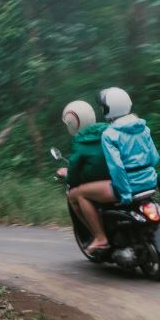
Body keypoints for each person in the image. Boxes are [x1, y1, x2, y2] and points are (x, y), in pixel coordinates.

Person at [70, 87, 160, 254]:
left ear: (109, 109)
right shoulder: (143, 128)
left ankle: (100, 238)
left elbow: (117, 168)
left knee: (80, 193)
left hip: (128, 187)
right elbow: (155, 158)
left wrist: (125, 194)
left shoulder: (110, 134)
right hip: (150, 183)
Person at [58, 100, 110, 234]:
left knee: (75, 195)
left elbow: (73, 178)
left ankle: (98, 235)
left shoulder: (80, 143)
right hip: (118, 181)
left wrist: (66, 175)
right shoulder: (110, 129)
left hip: (103, 186)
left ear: (71, 123)